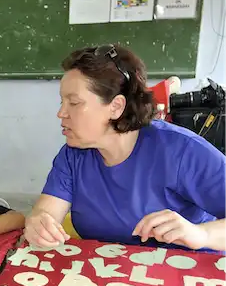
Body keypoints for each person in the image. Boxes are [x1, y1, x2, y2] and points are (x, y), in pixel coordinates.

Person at [24, 44, 226, 252]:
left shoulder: (182, 151)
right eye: (61, 102)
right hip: (110, 275)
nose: (61, 113)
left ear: (116, 107)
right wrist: (38, 224)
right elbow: (46, 213)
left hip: (187, 275)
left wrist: (201, 234)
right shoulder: (73, 155)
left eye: (74, 103)